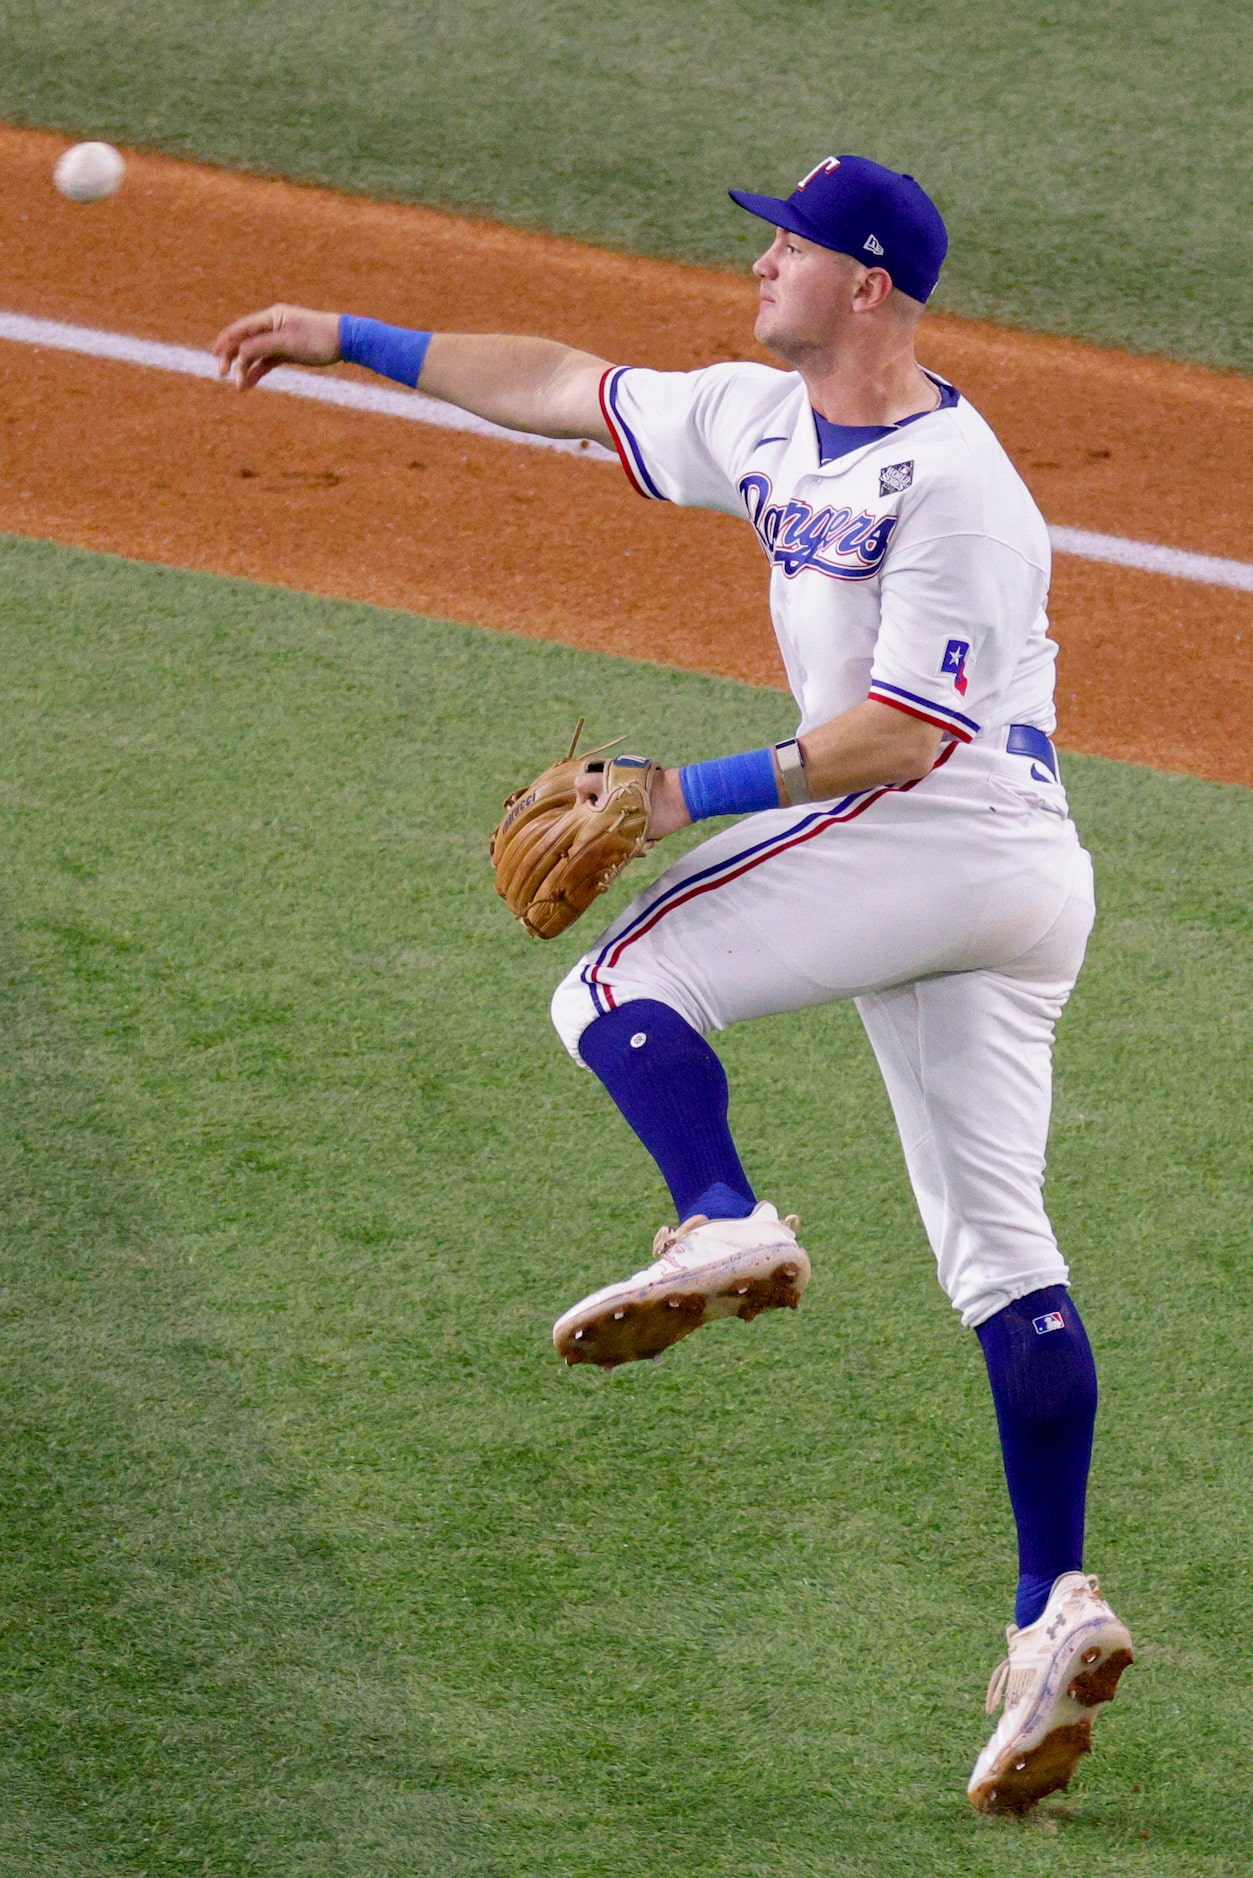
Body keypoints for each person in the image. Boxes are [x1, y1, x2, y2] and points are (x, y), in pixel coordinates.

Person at [213, 152, 1133, 1814]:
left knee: (612, 977)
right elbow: (567, 387)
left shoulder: (964, 485)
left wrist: (671, 789)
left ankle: (720, 1210)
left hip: (952, 832)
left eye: (787, 245)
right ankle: (1048, 1610)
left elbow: (904, 738)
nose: (758, 264)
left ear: (868, 283)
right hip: (985, 876)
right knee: (1000, 1255)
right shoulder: (765, 421)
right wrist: (349, 329)